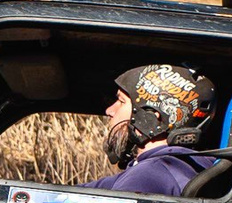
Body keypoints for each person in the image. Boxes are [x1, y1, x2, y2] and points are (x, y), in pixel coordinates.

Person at [88, 63, 220, 194]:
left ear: (151, 117)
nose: (109, 110)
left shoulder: (147, 177)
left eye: (121, 102)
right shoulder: (176, 167)